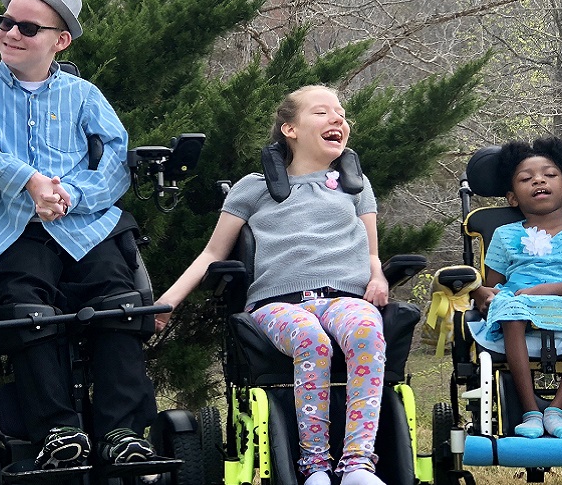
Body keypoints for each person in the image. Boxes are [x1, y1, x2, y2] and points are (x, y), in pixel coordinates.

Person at [0, 0, 160, 469]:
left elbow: (118, 157)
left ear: (60, 40)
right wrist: (25, 178)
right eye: (6, 22)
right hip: (14, 224)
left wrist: (73, 195)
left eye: (27, 28)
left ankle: (122, 432)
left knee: (119, 304)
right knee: (25, 308)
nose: (11, 33)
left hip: (85, 223)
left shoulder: (83, 94)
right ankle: (56, 429)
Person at [154, 85, 390, 485]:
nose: (338, 119)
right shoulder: (253, 187)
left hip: (343, 298)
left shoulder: (356, 185)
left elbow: (370, 254)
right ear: (289, 129)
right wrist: (168, 301)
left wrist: (379, 277)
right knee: (309, 340)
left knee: (368, 330)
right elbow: (212, 253)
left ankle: (357, 465)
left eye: (341, 112)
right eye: (322, 113)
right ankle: (314, 467)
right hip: (278, 305)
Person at [466, 137, 562, 439]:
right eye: (526, 178)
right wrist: (480, 292)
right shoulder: (505, 234)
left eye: (549, 174)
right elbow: (495, 287)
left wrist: (543, 290)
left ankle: (556, 410)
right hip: (519, 306)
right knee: (507, 305)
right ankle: (530, 411)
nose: (538, 180)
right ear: (512, 198)